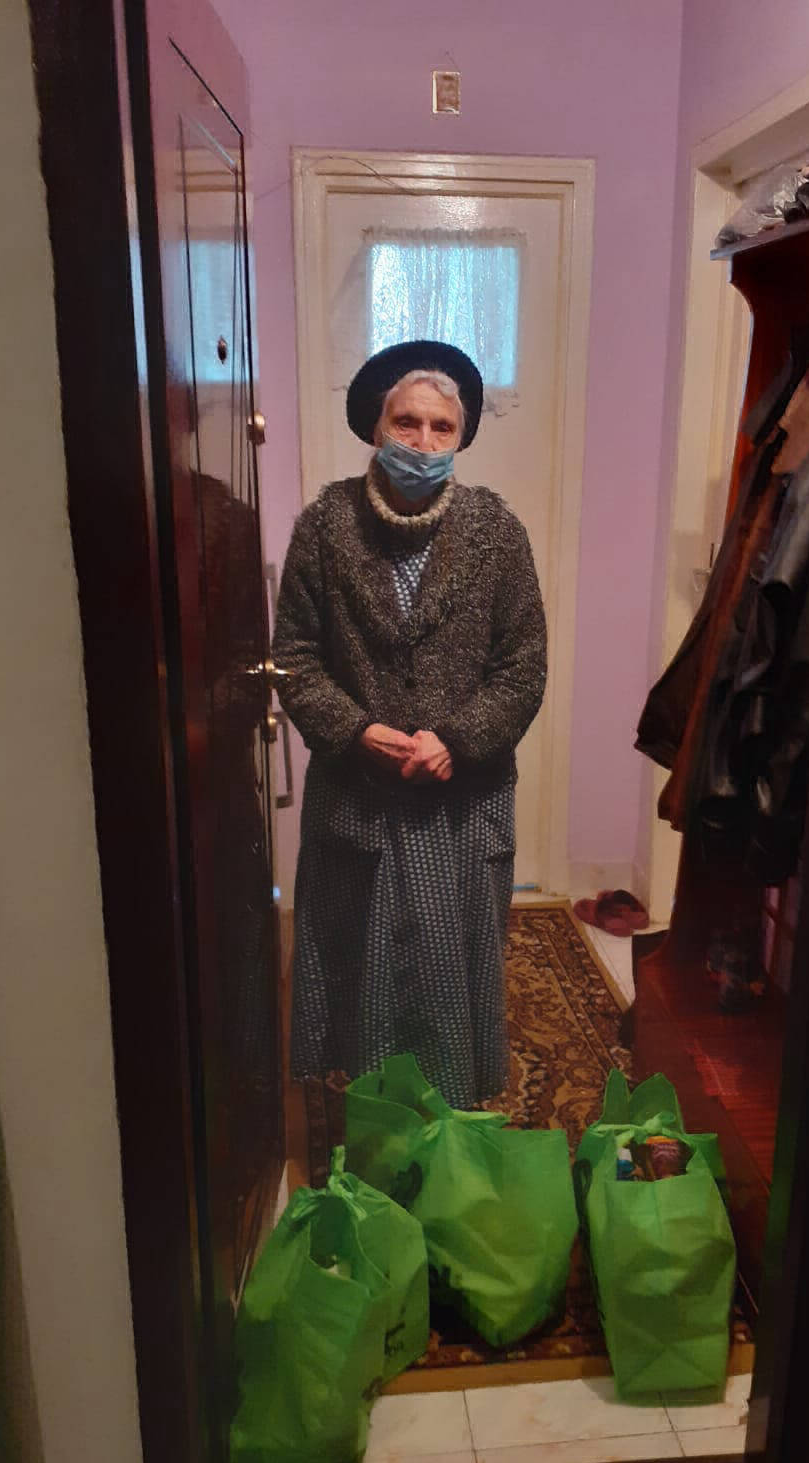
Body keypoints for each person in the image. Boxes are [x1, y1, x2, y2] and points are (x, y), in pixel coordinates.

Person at [271, 339, 546, 1114]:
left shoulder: (497, 531)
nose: (423, 442)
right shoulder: (326, 526)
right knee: (357, 968)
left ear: (461, 437)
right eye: (406, 422)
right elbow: (294, 657)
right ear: (376, 427)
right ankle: (371, 1118)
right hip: (358, 795)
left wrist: (456, 738)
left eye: (441, 426)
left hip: (464, 798)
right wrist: (355, 729)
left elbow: (523, 667)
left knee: (452, 970)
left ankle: (448, 1120)